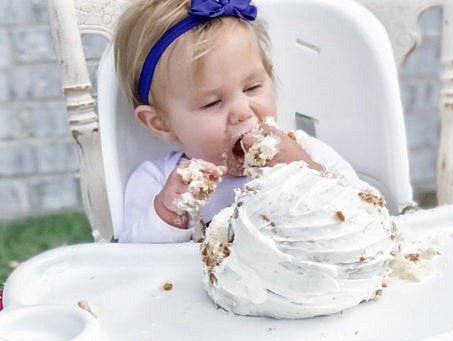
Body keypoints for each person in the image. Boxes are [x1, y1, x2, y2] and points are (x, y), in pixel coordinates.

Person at [114, 0, 365, 242]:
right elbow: (131, 261)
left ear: (269, 74)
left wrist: (307, 174)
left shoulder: (308, 153)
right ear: (161, 123)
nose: (242, 112)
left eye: (253, 87)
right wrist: (168, 214)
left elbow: (366, 215)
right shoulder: (156, 181)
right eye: (211, 103)